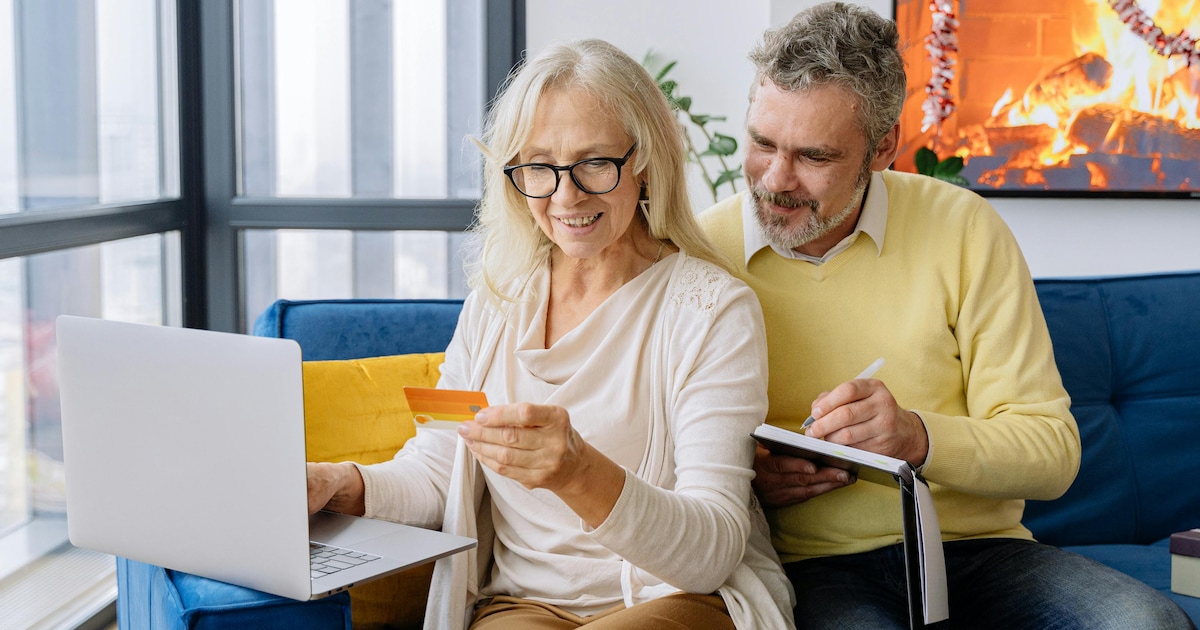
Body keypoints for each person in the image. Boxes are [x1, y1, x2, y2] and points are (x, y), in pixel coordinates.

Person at [698, 3, 1196, 629]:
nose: (774, 179)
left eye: (814, 157)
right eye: (762, 143)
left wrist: (917, 437)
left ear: (883, 149)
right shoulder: (699, 251)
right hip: (811, 566)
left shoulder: (964, 228)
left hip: (980, 553)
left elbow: (1053, 452)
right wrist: (751, 484)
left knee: (1148, 624)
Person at [306, 38, 795, 630]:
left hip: (676, 599)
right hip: (523, 604)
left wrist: (578, 473)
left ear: (646, 161)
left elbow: (710, 553)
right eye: (538, 165)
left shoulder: (711, 310)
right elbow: (438, 468)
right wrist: (338, 484)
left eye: (594, 162)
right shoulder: (497, 300)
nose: (566, 196)